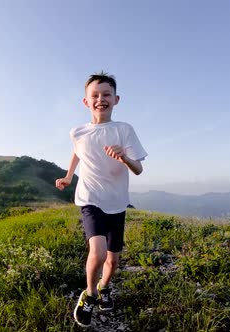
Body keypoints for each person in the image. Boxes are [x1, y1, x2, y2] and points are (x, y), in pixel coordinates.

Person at [55, 71, 147, 327]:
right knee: (97, 251)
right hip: (89, 198)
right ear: (86, 101)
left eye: (106, 94)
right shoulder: (78, 132)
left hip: (116, 203)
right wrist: (68, 176)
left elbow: (138, 169)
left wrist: (125, 158)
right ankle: (90, 294)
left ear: (116, 99)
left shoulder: (124, 130)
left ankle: (104, 287)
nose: (100, 99)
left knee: (113, 259)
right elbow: (77, 153)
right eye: (94, 95)